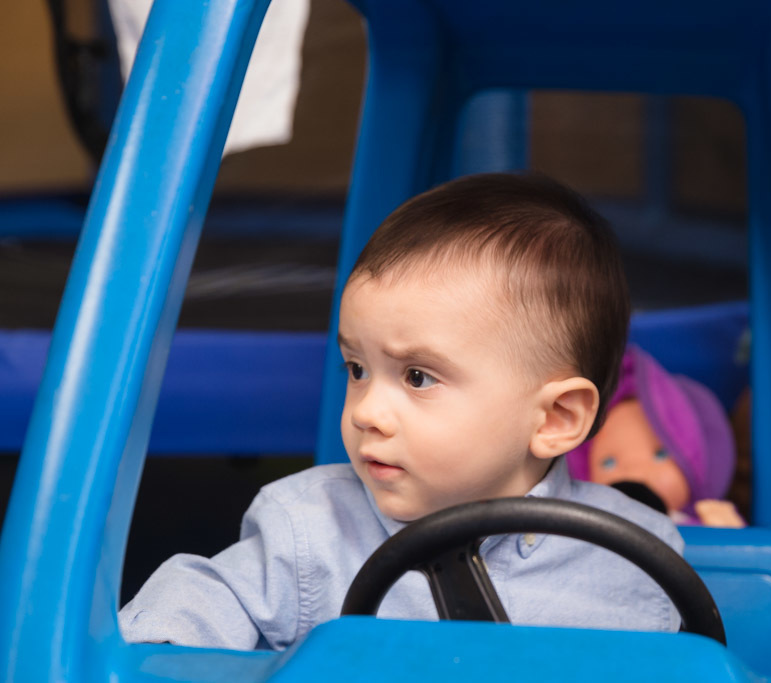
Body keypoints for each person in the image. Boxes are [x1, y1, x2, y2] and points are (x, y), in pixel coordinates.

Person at [118, 172, 686, 650]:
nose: (367, 412)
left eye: (417, 377)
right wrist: (168, 646)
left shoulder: (637, 552)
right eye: (357, 369)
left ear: (556, 418)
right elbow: (203, 594)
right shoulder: (309, 529)